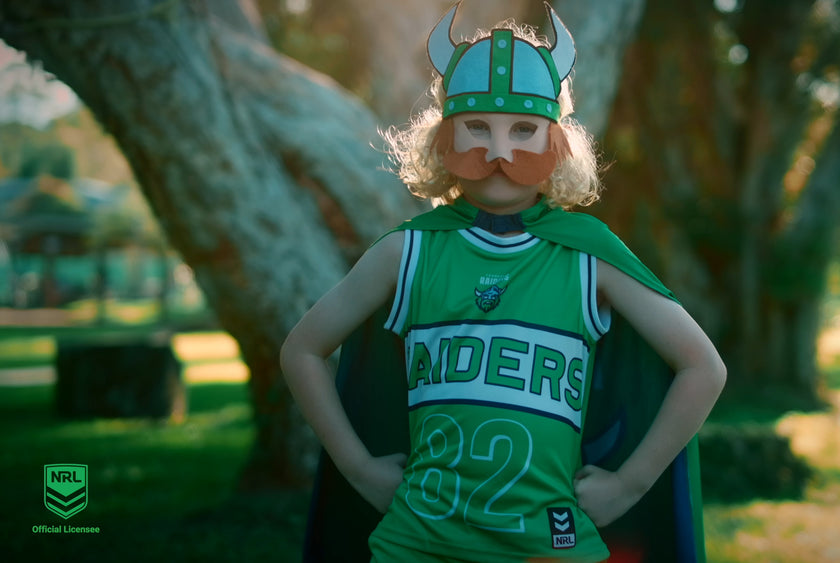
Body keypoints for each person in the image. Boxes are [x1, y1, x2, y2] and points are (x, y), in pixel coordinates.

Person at [280, 3, 726, 562]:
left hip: (554, 546)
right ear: (443, 137)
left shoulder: (590, 255)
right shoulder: (408, 251)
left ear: (558, 142)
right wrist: (360, 470)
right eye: (476, 128)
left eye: (523, 129)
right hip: (417, 546)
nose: (498, 151)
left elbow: (703, 367)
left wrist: (629, 484)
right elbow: (302, 349)